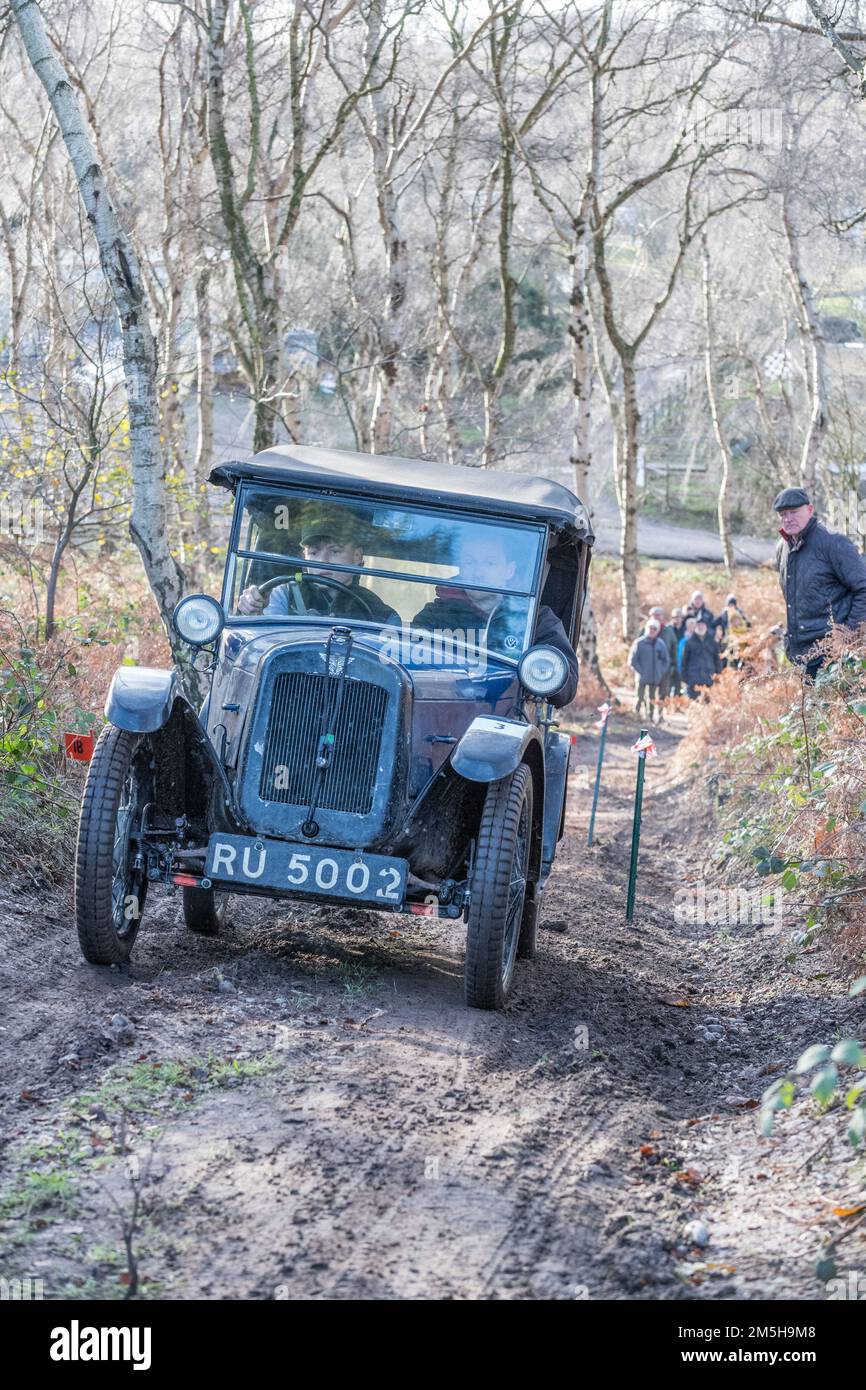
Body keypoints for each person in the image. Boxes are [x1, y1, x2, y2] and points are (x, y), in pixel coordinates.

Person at [411, 532, 579, 706]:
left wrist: (536, 678)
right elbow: (409, 659)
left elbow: (566, 687)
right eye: (470, 562)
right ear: (461, 568)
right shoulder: (434, 615)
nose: (478, 573)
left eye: (489, 563)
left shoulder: (536, 620)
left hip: (507, 716)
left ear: (509, 570)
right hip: (439, 712)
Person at [237, 513, 400, 625]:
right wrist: (255, 611)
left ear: (357, 556)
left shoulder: (382, 614)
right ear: (304, 557)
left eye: (335, 551)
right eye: (314, 553)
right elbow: (265, 644)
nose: (323, 561)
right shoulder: (284, 595)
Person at [774, 486, 866, 679]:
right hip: (801, 653)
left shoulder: (834, 543)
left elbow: (863, 588)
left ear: (810, 510)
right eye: (783, 514)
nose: (788, 518)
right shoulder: (782, 549)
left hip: (834, 655)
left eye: (793, 512)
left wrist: (847, 636)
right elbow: (793, 599)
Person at [628, 617, 670, 723]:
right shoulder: (639, 643)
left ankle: (650, 717)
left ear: (657, 631)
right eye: (650, 628)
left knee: (652, 698)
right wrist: (640, 671)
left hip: (655, 677)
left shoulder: (660, 644)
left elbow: (666, 660)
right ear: (647, 628)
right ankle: (636, 716)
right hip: (642, 676)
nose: (652, 631)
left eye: (654, 629)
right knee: (639, 697)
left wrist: (660, 671)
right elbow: (632, 660)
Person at [682, 617, 721, 699]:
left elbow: (717, 660)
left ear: (706, 627)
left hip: (709, 680)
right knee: (694, 705)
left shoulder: (712, 642)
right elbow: (684, 662)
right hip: (694, 681)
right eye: (699, 625)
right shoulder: (689, 642)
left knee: (709, 705)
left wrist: (717, 676)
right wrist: (685, 678)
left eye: (702, 625)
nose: (700, 627)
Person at [650, 605, 678, 716]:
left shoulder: (668, 631)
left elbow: (674, 648)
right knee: (651, 693)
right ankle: (650, 714)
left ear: (662, 617)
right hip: (650, 667)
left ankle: (661, 714)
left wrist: (673, 665)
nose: (656, 618)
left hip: (665, 667)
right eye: (654, 615)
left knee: (663, 692)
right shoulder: (646, 629)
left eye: (659, 615)